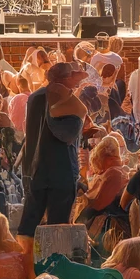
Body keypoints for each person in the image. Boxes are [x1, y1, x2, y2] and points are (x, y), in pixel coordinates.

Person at [15, 61, 88, 249]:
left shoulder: (35, 97)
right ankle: (56, 266)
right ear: (65, 79)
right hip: (61, 170)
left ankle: (24, 265)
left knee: (29, 224)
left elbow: (30, 132)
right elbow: (67, 135)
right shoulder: (67, 100)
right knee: (58, 227)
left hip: (35, 168)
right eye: (73, 76)